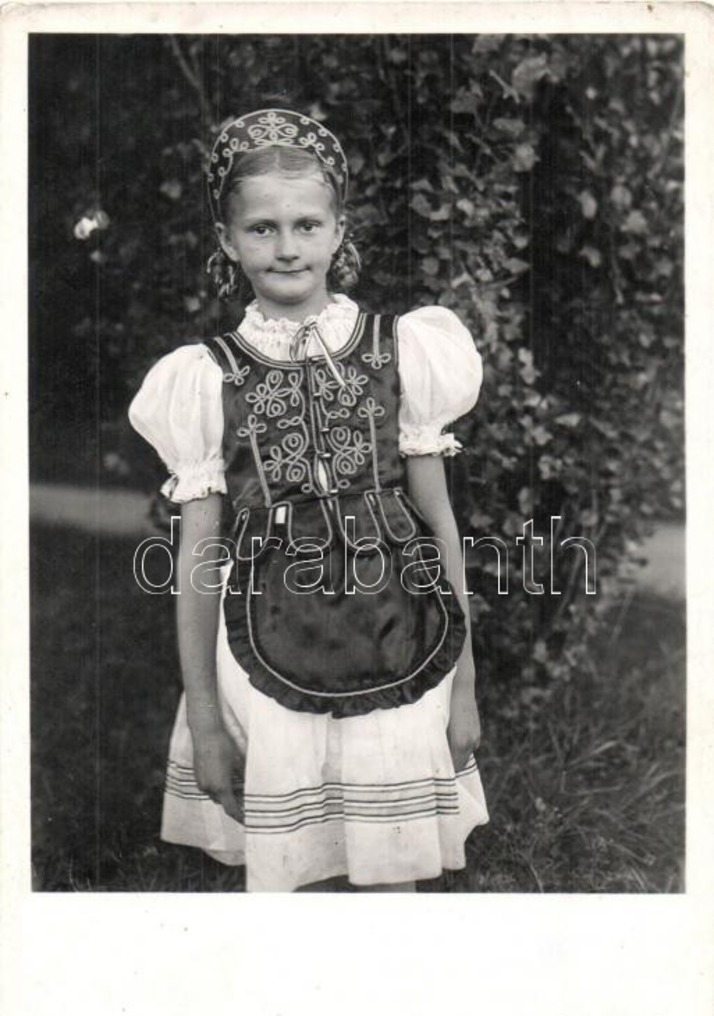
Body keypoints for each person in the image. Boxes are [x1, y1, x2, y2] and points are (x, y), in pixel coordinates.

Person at [129, 107, 489, 892]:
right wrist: (203, 719)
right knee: (296, 871)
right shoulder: (206, 376)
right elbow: (197, 555)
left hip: (404, 629)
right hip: (265, 636)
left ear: (337, 231)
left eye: (305, 224)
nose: (287, 246)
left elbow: (441, 523)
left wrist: (464, 683)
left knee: (391, 865)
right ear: (228, 242)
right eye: (261, 229)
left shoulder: (402, 350)